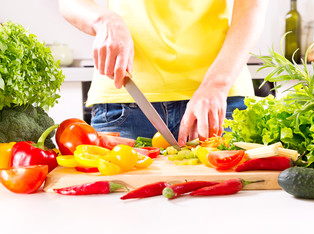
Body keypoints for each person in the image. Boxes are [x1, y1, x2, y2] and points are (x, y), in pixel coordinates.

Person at [58, 0, 268, 146]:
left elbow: (252, 5)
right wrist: (104, 20)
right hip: (125, 102)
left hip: (219, 103)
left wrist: (217, 85)